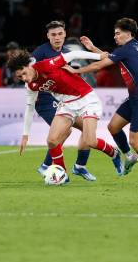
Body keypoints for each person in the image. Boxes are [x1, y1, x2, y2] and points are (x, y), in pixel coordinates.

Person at [64, 18, 138, 186]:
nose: (115, 37)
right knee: (113, 127)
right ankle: (130, 157)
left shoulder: (127, 49)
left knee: (135, 141)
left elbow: (99, 65)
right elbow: (112, 58)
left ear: (128, 33)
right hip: (135, 98)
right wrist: (93, 49)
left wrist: (76, 71)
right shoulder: (135, 46)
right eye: (114, 34)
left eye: (118, 33)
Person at [7, 49, 122, 184]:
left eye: (24, 74)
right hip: (66, 104)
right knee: (52, 140)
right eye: (20, 77)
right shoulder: (31, 85)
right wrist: (25, 135)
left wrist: (99, 56)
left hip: (86, 98)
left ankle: (114, 153)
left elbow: (73, 54)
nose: (24, 79)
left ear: (28, 66)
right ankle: (62, 175)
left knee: (90, 140)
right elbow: (30, 107)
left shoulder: (47, 65)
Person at [30, 21, 96, 180]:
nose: (57, 37)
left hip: (64, 100)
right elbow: (29, 75)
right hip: (44, 100)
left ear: (65, 34)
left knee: (87, 127)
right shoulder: (40, 53)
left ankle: (80, 167)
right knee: (65, 130)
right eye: (53, 35)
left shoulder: (66, 53)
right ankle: (46, 166)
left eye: (60, 34)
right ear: (48, 36)